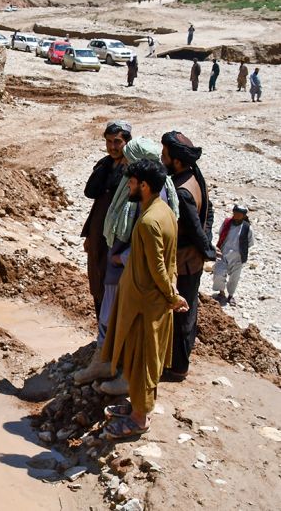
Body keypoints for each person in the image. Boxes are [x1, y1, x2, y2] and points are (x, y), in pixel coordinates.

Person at [77, 138, 179, 390]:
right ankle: (105, 361)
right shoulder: (131, 185)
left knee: (132, 323)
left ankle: (128, 376)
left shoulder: (155, 195)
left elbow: (149, 243)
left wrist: (121, 258)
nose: (122, 163)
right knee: (109, 316)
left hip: (133, 269)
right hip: (119, 265)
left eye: (128, 159)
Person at [99, 161, 187, 440]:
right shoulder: (162, 211)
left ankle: (139, 418)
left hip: (147, 305)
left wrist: (173, 296)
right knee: (140, 357)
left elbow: (158, 267)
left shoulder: (149, 221)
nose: (129, 186)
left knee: (142, 361)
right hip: (145, 301)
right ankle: (137, 407)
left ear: (145, 186)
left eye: (133, 182)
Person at [160, 131, 215, 382]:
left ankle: (178, 367)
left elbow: (193, 228)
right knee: (188, 309)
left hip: (184, 262)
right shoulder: (194, 175)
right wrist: (207, 243)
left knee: (181, 312)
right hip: (192, 259)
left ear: (177, 161)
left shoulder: (182, 190)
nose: (162, 159)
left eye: (165, 155)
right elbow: (209, 211)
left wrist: (206, 249)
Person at [81, 121, 132, 319]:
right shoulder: (106, 165)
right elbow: (94, 198)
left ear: (127, 142)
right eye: (109, 141)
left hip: (117, 238)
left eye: (117, 142)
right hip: (98, 235)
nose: (112, 146)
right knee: (97, 281)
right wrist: (88, 235)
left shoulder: (132, 171)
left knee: (114, 286)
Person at [213, 204, 255, 306]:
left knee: (234, 278)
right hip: (223, 254)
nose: (236, 215)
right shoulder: (227, 222)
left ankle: (231, 295)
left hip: (238, 257)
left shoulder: (247, 228)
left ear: (244, 216)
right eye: (235, 213)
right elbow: (220, 233)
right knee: (218, 273)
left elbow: (250, 243)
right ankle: (221, 293)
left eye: (239, 214)